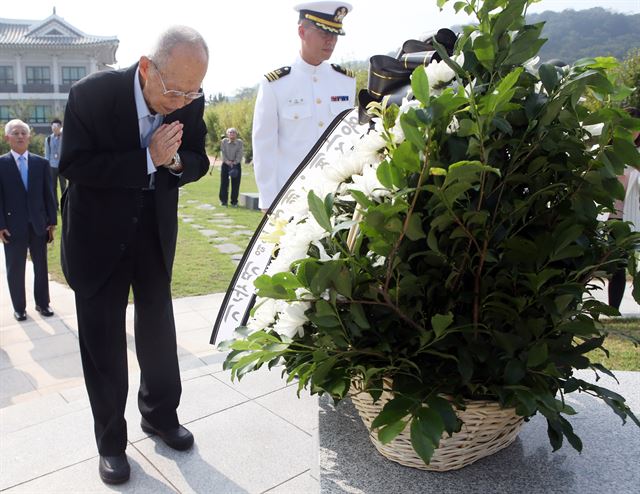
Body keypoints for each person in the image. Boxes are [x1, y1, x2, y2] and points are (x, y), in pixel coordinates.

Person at [59, 26, 209, 485]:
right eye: (175, 90)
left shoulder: (191, 98)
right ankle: (111, 443)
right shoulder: (91, 95)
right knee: (103, 343)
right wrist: (147, 158)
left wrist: (174, 162)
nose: (183, 100)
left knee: (160, 332)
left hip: (152, 231)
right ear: (147, 68)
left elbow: (197, 157)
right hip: (98, 235)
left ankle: (161, 416)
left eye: (193, 90)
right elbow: (74, 165)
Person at [252, 1, 356, 210]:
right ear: (302, 32)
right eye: (324, 33)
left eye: (335, 34)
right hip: (291, 199)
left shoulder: (346, 82)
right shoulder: (275, 84)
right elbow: (264, 146)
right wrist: (268, 200)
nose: (331, 41)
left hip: (336, 196)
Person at [0, 119, 56, 322]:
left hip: (39, 224)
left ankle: (43, 303)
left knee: (41, 266)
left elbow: (48, 193)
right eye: (16, 133)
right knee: (15, 268)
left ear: (29, 136)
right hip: (12, 227)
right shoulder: (1, 164)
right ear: (8, 138)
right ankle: (19, 308)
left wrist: (52, 221)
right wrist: (1, 225)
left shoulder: (40, 163)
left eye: (24, 132)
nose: (21, 136)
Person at [608, 106, 640, 309]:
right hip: (610, 218)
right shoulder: (608, 151)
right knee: (614, 265)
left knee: (625, 265)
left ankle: (617, 309)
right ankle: (612, 310)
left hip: (632, 218)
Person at [219, 127, 244, 207]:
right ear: (227, 134)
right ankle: (223, 201)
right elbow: (223, 153)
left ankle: (234, 201)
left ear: (236, 134)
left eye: (233, 132)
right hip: (225, 164)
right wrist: (227, 161)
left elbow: (240, 153)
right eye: (230, 132)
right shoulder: (224, 141)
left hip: (236, 164)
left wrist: (234, 162)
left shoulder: (240, 142)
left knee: (236, 184)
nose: (232, 134)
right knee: (224, 183)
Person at [44, 118, 66, 208]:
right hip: (52, 166)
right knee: (53, 187)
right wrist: (47, 167)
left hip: (62, 165)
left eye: (56, 126)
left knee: (63, 186)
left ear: (60, 127)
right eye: (52, 126)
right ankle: (55, 205)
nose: (54, 128)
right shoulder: (48, 139)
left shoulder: (64, 138)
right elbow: (47, 154)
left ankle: (64, 204)